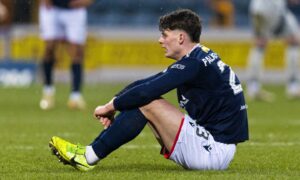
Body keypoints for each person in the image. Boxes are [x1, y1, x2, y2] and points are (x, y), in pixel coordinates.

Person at [49, 9, 249, 171]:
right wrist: (114, 102)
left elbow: (145, 93)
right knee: (144, 97)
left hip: (213, 150)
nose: (160, 40)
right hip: (212, 143)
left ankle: (87, 156)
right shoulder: (197, 58)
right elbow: (145, 83)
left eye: (164, 35)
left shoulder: (193, 64)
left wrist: (111, 105)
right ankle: (88, 152)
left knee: (148, 102)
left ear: (180, 37)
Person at [39, 0, 93, 110]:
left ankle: (75, 96)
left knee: (77, 52)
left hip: (75, 9)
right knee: (49, 48)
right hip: (52, 8)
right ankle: (48, 92)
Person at [247, 0, 300, 101]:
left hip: (257, 8)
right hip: (272, 7)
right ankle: (293, 86)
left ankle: (253, 87)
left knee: (259, 44)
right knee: (293, 41)